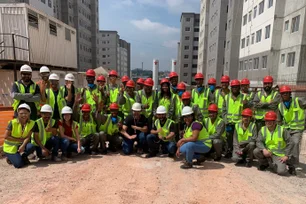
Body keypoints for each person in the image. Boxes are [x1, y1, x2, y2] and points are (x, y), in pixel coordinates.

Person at [254, 111, 295, 175]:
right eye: (267, 120)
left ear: (275, 121)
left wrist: (286, 155)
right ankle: (265, 164)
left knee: (281, 171)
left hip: (279, 155)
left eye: (270, 120)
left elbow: (290, 143)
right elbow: (259, 141)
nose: (268, 122)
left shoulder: (282, 130)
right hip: (268, 152)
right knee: (256, 151)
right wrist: (264, 149)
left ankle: (286, 164)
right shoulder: (263, 129)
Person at [277, 85, 306, 170]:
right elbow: (279, 119)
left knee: (295, 142)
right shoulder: (280, 105)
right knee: (285, 144)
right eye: (283, 93)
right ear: (281, 95)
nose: (285, 94)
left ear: (290, 93)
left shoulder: (298, 101)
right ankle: (287, 160)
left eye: (286, 93)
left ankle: (295, 164)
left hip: (297, 128)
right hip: (286, 128)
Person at [3, 104, 35, 168]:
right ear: (18, 113)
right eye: (21, 113)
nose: (23, 115)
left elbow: (28, 137)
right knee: (19, 165)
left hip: (21, 145)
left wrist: (23, 146)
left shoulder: (32, 123)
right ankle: (10, 158)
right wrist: (19, 140)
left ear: (29, 113)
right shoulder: (12, 123)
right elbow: (6, 136)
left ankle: (23, 156)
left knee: (31, 146)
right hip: (10, 148)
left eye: (26, 113)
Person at [222, 79, 248, 158]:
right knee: (229, 138)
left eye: (236, 87)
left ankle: (240, 153)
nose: (235, 88)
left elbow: (247, 110)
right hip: (229, 122)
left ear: (239, 87)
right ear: (231, 88)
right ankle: (229, 151)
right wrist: (226, 121)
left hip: (239, 124)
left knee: (238, 139)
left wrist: (246, 103)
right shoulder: (226, 97)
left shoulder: (243, 97)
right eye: (233, 87)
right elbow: (223, 110)